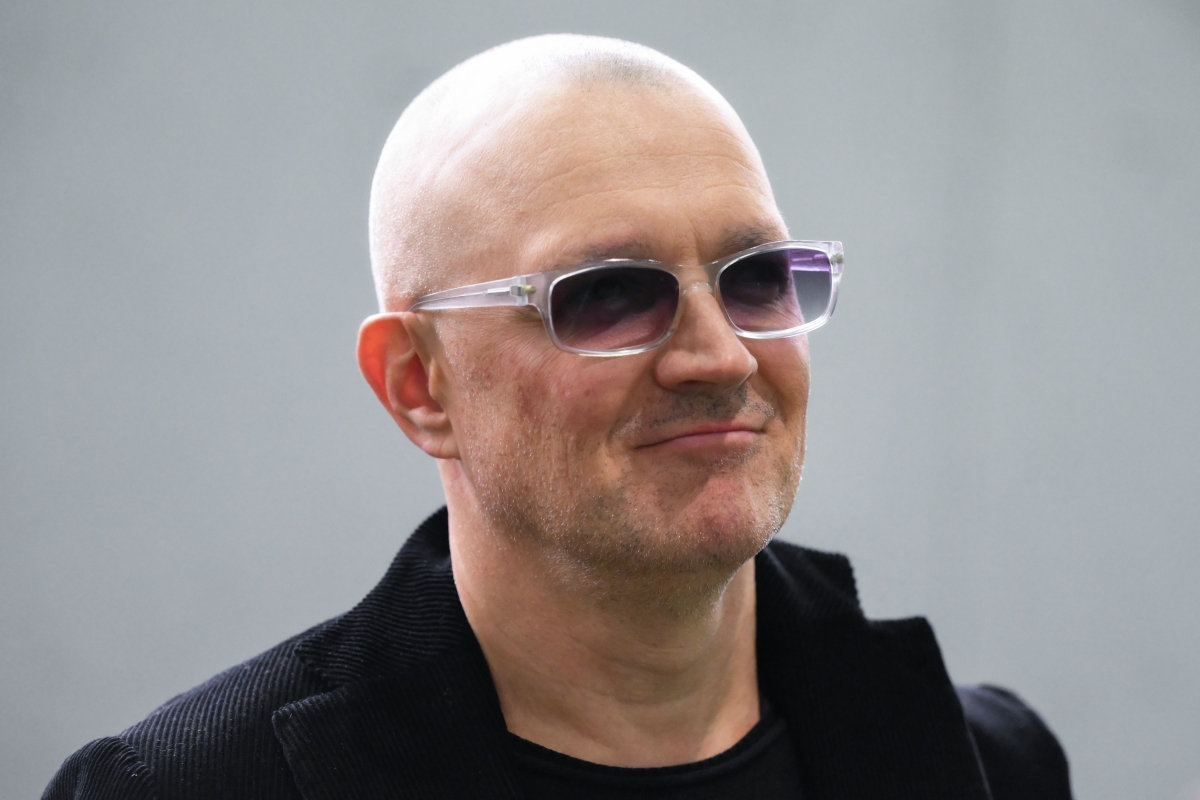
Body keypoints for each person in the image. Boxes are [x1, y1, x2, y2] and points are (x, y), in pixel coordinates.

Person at [44, 34, 1072, 800]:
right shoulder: (183, 788)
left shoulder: (995, 762)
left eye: (757, 278)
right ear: (420, 383)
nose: (719, 355)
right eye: (607, 295)